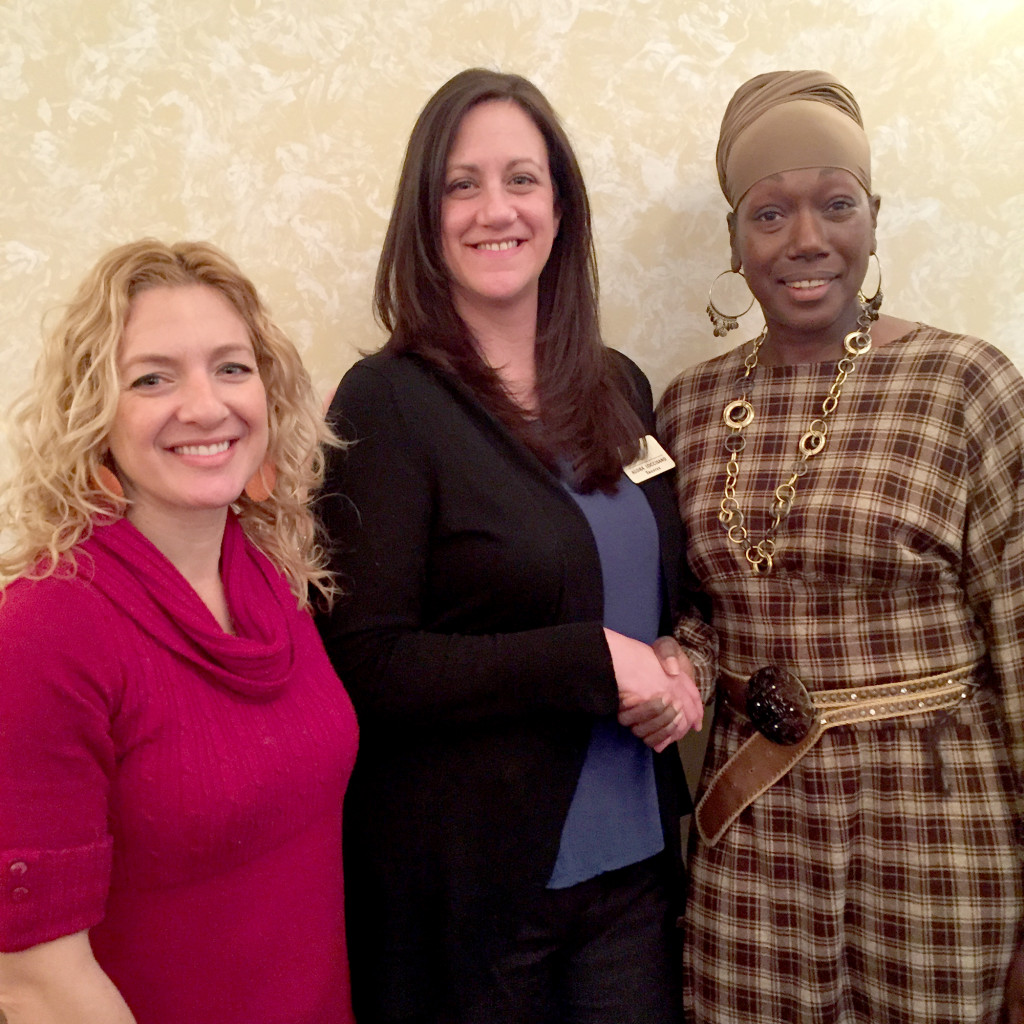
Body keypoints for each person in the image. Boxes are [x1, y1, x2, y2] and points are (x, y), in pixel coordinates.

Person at [317, 68, 710, 1024]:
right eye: (463, 184)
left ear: (562, 205)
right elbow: (366, 663)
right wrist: (584, 661)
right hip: (475, 896)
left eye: (522, 179)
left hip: (636, 870)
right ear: (426, 214)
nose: (496, 209)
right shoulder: (388, 403)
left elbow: (666, 591)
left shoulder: (618, 386)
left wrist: (675, 655)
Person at [657, 70, 1024, 1024]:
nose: (806, 240)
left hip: (937, 824)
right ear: (736, 239)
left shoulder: (966, 384)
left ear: (873, 216)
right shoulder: (687, 408)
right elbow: (691, 612)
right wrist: (673, 661)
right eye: (770, 213)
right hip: (757, 823)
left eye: (836, 204)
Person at [0, 239, 358, 1024]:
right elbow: (33, 984)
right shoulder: (44, 630)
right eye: (153, 378)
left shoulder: (266, 571)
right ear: (93, 411)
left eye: (231, 367)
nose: (205, 406)